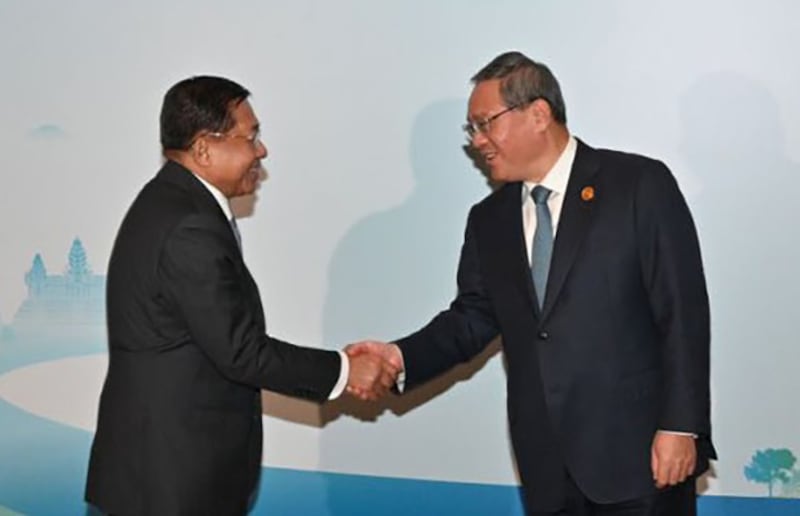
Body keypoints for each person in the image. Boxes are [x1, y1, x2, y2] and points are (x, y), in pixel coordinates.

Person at [348, 51, 715, 515]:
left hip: (639, 458)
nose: (477, 141)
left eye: (485, 123)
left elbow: (682, 312)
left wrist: (681, 426)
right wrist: (399, 356)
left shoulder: (638, 184)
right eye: (471, 129)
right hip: (546, 469)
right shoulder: (489, 219)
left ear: (538, 114)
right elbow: (472, 319)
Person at [85, 76, 397, 516]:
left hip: (160, 475)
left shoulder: (173, 203)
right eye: (250, 136)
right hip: (169, 484)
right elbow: (242, 352)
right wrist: (346, 371)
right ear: (204, 148)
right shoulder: (188, 226)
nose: (261, 150)